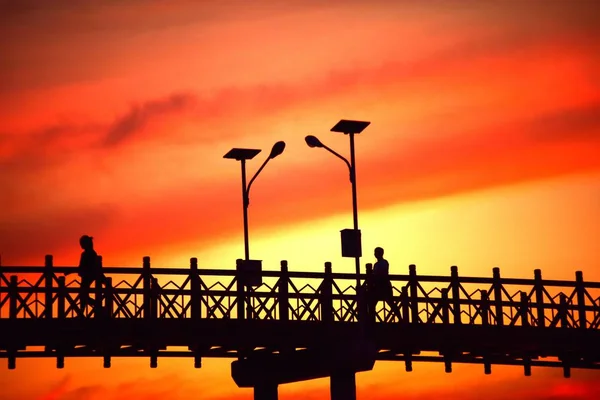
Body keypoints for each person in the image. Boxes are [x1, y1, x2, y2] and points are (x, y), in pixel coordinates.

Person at [76, 235, 107, 314]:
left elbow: (85, 266)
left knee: (83, 295)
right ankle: (97, 308)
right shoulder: (92, 253)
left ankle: (98, 307)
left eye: (82, 243)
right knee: (83, 295)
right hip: (88, 276)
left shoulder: (88, 254)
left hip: (87, 276)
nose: (81, 245)